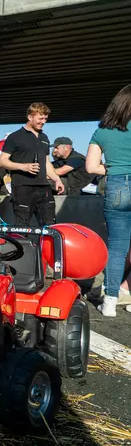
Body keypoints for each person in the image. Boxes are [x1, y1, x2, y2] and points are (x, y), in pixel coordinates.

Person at [86, 84, 131, 316]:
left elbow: (91, 167)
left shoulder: (102, 131)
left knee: (117, 247)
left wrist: (114, 167)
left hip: (117, 185)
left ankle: (110, 302)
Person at [0, 103, 64, 226]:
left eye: (45, 119)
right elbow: (2, 161)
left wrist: (57, 179)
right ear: (30, 117)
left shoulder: (44, 137)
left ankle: (45, 246)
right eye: (40, 118)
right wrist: (23, 166)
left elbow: (46, 162)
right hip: (23, 188)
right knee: (22, 226)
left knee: (50, 226)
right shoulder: (15, 137)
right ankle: (21, 245)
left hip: (44, 187)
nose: (43, 122)